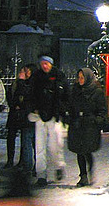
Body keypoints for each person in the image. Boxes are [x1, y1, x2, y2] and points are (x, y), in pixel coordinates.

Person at [30, 54, 68, 186]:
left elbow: (64, 95)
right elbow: (31, 94)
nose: (44, 66)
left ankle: (58, 165)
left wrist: (62, 111)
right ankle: (41, 175)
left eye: (47, 63)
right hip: (40, 115)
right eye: (42, 64)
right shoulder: (36, 77)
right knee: (39, 147)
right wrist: (34, 108)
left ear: (51, 64)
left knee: (55, 145)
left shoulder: (59, 76)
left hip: (54, 116)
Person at [68, 67, 107, 186]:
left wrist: (96, 120)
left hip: (90, 126)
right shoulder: (75, 91)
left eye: (82, 77)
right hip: (77, 125)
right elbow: (70, 106)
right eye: (79, 77)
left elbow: (102, 110)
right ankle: (83, 176)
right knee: (79, 151)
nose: (80, 80)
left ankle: (90, 171)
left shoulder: (97, 92)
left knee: (87, 150)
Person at [4, 64, 35, 172]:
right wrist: (14, 104)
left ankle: (25, 162)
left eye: (26, 71)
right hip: (15, 113)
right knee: (12, 137)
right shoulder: (16, 83)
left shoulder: (29, 83)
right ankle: (10, 159)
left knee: (26, 140)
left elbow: (25, 96)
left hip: (24, 115)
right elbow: (11, 96)